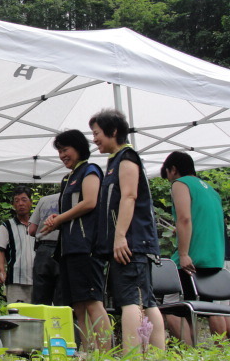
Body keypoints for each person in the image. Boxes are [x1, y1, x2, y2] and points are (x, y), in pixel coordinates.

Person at [89, 109, 165, 354]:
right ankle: (157, 355)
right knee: (144, 299)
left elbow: (130, 196)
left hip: (131, 242)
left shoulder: (127, 157)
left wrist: (120, 236)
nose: (94, 139)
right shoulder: (116, 160)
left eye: (97, 133)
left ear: (113, 131)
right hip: (128, 242)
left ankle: (132, 354)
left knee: (131, 300)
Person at [42, 130, 111, 351]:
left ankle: (105, 353)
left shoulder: (90, 170)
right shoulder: (68, 178)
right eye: (59, 151)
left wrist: (60, 218)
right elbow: (72, 210)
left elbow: (90, 202)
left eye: (65, 150)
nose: (62, 155)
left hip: (86, 247)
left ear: (79, 148)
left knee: (92, 302)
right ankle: (88, 351)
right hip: (68, 249)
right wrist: (57, 218)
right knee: (78, 305)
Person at [160, 151, 225, 344]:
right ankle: (221, 351)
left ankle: (189, 353)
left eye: (168, 175)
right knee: (211, 307)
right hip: (213, 256)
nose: (169, 180)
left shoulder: (180, 184)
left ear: (173, 169)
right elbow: (205, 221)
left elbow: (184, 218)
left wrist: (183, 253)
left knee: (170, 308)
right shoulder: (211, 190)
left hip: (191, 258)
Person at [0, 186, 35, 304]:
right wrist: (1, 271)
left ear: (31, 202)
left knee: (38, 312)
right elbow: (0, 250)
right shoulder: (6, 226)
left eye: (24, 200)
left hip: (38, 279)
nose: (20, 204)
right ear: (13, 205)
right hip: (15, 279)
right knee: (16, 313)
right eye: (16, 201)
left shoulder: (38, 224)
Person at [27, 193, 62, 306]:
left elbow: (32, 230)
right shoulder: (74, 197)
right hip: (64, 248)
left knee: (40, 297)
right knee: (61, 296)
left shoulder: (44, 200)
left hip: (43, 249)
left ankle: (40, 317)